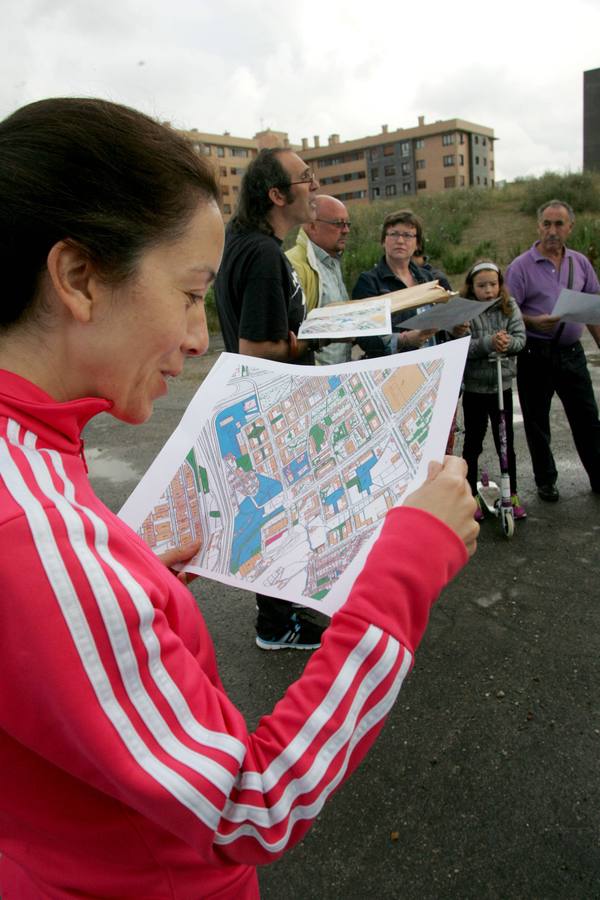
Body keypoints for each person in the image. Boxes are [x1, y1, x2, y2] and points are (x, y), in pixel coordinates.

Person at [0, 97, 478, 899]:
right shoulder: (34, 533)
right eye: (191, 294)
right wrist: (405, 572)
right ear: (78, 279)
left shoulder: (37, 492)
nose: (198, 336)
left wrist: (122, 578)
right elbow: (251, 808)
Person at [214, 148, 325, 651]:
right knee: (279, 511)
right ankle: (276, 625)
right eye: (305, 178)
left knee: (280, 510)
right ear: (277, 195)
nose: (315, 183)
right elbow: (258, 347)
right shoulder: (261, 255)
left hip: (262, 405)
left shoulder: (243, 243)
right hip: (272, 405)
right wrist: (314, 338)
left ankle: (282, 606)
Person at [505, 199, 600, 501]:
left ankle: (598, 476)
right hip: (535, 353)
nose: (552, 230)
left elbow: (593, 310)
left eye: (559, 224)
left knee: (587, 418)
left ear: (570, 227)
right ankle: (546, 481)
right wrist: (532, 321)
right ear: (538, 226)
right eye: (546, 223)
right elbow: (507, 311)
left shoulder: (580, 263)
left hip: (572, 352)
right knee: (536, 421)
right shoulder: (520, 266)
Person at [452, 261, 527, 521]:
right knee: (472, 443)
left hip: (500, 387)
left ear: (500, 285)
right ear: (471, 287)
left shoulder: (509, 306)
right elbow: (463, 346)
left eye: (493, 284)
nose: (488, 290)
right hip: (475, 388)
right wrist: (487, 343)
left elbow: (521, 338)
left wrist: (508, 343)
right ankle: (470, 494)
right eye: (482, 285)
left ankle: (511, 493)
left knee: (505, 443)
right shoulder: (465, 311)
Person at [351, 209, 438, 358]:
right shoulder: (368, 282)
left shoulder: (427, 278)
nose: (400, 241)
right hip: (393, 368)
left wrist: (454, 328)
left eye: (408, 235)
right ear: (383, 241)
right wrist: (404, 340)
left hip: (430, 361)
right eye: (394, 234)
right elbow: (365, 338)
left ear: (417, 244)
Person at [286, 194, 353, 365]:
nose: (346, 230)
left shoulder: (331, 261)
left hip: (337, 375)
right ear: (312, 225)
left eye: (347, 224)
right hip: (315, 379)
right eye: (338, 224)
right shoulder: (294, 265)